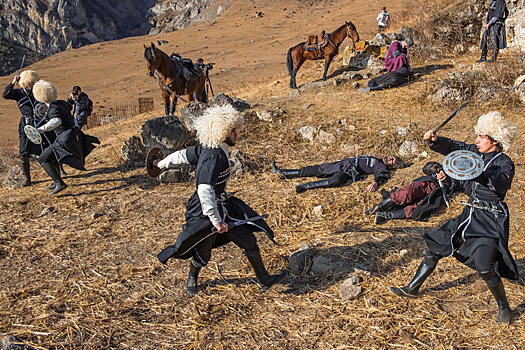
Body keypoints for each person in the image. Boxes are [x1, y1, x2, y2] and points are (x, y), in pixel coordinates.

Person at [389, 111, 517, 325]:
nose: (476, 140)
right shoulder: (475, 152)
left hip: (490, 220)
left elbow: (499, 183)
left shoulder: (505, 163)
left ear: (495, 140)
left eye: (482, 137)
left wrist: (474, 171)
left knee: (485, 266)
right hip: (470, 214)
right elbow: (454, 147)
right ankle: (412, 288)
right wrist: (436, 141)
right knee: (437, 246)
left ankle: (504, 307)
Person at [156, 105, 287, 296]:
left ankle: (264, 279)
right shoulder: (214, 156)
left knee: (248, 239)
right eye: (233, 130)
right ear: (222, 131)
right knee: (203, 251)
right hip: (203, 210)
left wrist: (160, 163)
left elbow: (182, 155)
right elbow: (204, 189)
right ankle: (192, 277)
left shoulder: (213, 148)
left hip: (223, 205)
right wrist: (216, 220)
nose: (236, 134)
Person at [33, 80, 100, 195]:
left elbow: (56, 121)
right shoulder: (60, 103)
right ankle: (56, 182)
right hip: (72, 134)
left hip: (65, 137)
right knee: (51, 157)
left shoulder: (53, 107)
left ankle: (59, 183)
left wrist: (39, 130)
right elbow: (68, 107)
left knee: (43, 158)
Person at [2, 70, 55, 187]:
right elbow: (6, 94)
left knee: (52, 145)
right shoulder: (19, 93)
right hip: (26, 124)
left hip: (41, 122)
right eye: (29, 83)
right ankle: (27, 179)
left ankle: (59, 173)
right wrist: (13, 82)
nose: (31, 85)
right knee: (23, 152)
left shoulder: (38, 92)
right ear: (24, 83)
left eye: (33, 82)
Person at [365, 161, 460, 224]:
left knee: (417, 209)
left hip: (437, 194)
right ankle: (378, 207)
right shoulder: (446, 165)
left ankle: (385, 216)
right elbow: (426, 168)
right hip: (428, 183)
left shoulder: (462, 179)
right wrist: (439, 170)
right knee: (407, 192)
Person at [272, 155, 401, 193]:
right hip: (343, 163)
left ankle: (305, 186)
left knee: (336, 180)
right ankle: (282, 173)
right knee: (316, 169)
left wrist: (375, 183)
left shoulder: (381, 166)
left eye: (392, 160)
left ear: (393, 166)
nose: (389, 158)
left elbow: (381, 175)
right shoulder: (377, 159)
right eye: (391, 157)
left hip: (350, 171)